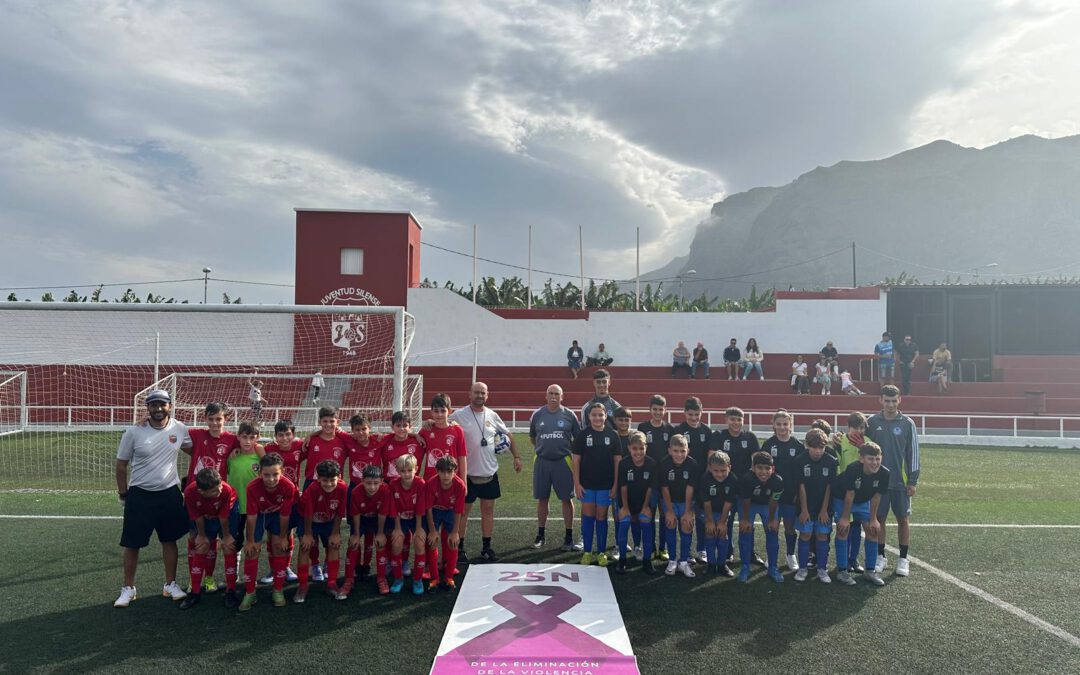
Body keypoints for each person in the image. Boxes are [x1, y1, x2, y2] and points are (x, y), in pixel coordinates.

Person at [114, 389, 193, 608]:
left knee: (169, 540)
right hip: (140, 494)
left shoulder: (179, 428)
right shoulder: (134, 432)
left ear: (170, 406)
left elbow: (196, 450)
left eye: (162, 404)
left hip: (169, 493)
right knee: (132, 543)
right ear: (147, 408)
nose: (158, 408)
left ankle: (170, 584)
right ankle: (128, 588)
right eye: (153, 405)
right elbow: (121, 464)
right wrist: (123, 494)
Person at [449, 382, 523, 563]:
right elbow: (442, 424)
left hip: (489, 472)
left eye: (483, 393)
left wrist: (516, 457)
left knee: (488, 510)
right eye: (476, 392)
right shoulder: (459, 415)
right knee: (463, 512)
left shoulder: (492, 415)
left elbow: (508, 434)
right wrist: (429, 423)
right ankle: (459, 548)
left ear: (487, 395)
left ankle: (486, 547)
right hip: (467, 473)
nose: (479, 395)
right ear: (470, 394)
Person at [867, 385, 920, 578]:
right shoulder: (871, 422)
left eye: (894, 400)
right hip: (877, 483)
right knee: (878, 519)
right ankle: (881, 556)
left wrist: (912, 480)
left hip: (900, 482)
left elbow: (913, 453)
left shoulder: (907, 423)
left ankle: (903, 559)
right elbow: (863, 449)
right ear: (880, 400)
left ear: (900, 400)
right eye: (887, 401)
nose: (890, 404)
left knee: (903, 519)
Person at [240, 452, 299, 611]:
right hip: (259, 516)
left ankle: (278, 590)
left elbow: (285, 515)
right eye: (266, 475)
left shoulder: (288, 486)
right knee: (252, 551)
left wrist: (282, 537)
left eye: (275, 474)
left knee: (279, 547)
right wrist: (251, 540)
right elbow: (251, 516)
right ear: (260, 473)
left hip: (277, 516)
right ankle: (250, 592)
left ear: (282, 472)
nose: (271, 479)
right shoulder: (252, 487)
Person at [529, 384, 582, 552]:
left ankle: (568, 536)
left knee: (567, 499)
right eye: (550, 393)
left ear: (562, 396)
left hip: (563, 462)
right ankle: (540, 534)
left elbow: (578, 438)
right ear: (546, 396)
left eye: (556, 394)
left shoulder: (569, 415)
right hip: (542, 461)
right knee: (542, 498)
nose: (553, 396)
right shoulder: (537, 415)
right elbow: (532, 437)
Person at [302, 406, 350, 581]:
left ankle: (328, 564)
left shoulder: (344, 440)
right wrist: (312, 435)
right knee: (311, 529)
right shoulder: (311, 441)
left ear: (338, 422)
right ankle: (314, 565)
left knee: (331, 530)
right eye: (325, 421)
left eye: (332, 421)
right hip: (312, 486)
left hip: (334, 487)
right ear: (319, 422)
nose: (328, 424)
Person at [179, 468, 238, 610]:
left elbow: (224, 516)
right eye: (214, 491)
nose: (219, 491)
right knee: (202, 545)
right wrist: (202, 535)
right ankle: (195, 592)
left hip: (229, 514)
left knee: (229, 547)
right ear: (201, 492)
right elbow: (196, 515)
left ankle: (231, 590)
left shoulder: (226, 490)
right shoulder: (190, 492)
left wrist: (227, 536)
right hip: (204, 514)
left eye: (220, 486)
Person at [712, 406, 764, 567]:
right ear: (726, 420)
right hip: (724, 487)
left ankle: (749, 552)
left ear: (743, 420)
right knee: (726, 520)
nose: (736, 422)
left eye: (739, 419)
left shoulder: (750, 437)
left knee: (745, 521)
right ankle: (727, 552)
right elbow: (711, 460)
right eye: (732, 419)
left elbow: (756, 462)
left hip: (745, 489)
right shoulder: (719, 436)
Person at [833, 442, 890, 586]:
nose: (875, 462)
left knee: (873, 530)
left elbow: (877, 496)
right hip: (842, 498)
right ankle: (842, 571)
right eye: (871, 459)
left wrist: (873, 519)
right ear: (862, 458)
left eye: (878, 459)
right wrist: (845, 518)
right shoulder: (853, 469)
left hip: (863, 500)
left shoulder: (885, 473)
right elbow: (849, 495)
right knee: (843, 529)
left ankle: (870, 571)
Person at [573, 403, 621, 566]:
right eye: (594, 415)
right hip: (586, 485)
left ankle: (601, 552)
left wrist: (615, 484)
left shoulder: (613, 435)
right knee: (588, 517)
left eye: (600, 415)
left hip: (605, 485)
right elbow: (576, 460)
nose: (597, 418)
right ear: (589, 417)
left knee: (601, 518)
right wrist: (577, 484)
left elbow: (617, 461)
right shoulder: (582, 435)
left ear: (605, 416)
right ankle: (587, 552)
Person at [224, 422, 265, 608]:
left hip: (254, 511)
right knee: (232, 546)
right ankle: (231, 587)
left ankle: (250, 585)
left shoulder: (260, 457)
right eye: (244, 437)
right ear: (238, 437)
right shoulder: (231, 457)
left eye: (252, 437)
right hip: (234, 510)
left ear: (257, 438)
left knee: (252, 547)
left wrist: (261, 450)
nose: (248, 441)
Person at [294, 460, 346, 603]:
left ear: (339, 476)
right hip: (307, 520)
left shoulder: (342, 488)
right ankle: (303, 585)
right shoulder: (312, 489)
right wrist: (308, 534)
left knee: (334, 545)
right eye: (324, 480)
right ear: (318, 478)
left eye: (332, 480)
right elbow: (308, 513)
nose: (329, 484)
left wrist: (336, 533)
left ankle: (332, 583)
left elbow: (339, 513)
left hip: (328, 520)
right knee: (305, 546)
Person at [762, 409, 805, 571]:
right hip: (772, 494)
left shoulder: (798, 446)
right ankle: (771, 554)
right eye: (778, 424)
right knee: (772, 524)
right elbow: (763, 471)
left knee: (789, 526)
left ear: (790, 425)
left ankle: (790, 554)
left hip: (791, 494)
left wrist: (797, 495)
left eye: (785, 424)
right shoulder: (768, 444)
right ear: (773, 425)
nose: (782, 427)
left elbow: (800, 473)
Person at [794, 429, 837, 583]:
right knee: (805, 534)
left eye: (822, 447)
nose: (818, 451)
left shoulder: (831, 461)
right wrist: (804, 510)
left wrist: (824, 510)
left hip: (824, 507)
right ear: (807, 445)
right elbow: (801, 486)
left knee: (822, 535)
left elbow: (829, 487)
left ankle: (822, 569)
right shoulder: (800, 460)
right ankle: (803, 568)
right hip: (805, 506)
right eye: (815, 448)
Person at [736, 452, 784, 583]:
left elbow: (774, 501)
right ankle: (745, 566)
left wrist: (772, 519)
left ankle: (773, 567)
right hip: (749, 504)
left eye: (767, 468)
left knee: (772, 531)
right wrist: (745, 519)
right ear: (753, 468)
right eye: (760, 468)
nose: (764, 472)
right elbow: (745, 500)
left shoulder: (778, 481)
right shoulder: (747, 479)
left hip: (767, 504)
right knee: (745, 531)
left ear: (772, 469)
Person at [638, 395, 675, 561]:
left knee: (665, 513)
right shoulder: (643, 427)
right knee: (649, 514)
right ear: (650, 410)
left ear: (665, 410)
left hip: (666, 479)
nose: (658, 412)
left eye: (661, 409)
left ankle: (663, 547)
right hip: (648, 480)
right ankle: (651, 546)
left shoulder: (670, 429)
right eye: (655, 409)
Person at [674, 396, 712, 561]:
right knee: (686, 517)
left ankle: (701, 549)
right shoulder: (678, 430)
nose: (694, 418)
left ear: (701, 412)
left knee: (702, 517)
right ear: (684, 413)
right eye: (690, 414)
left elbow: (710, 456)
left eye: (697, 414)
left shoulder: (707, 431)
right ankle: (686, 551)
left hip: (702, 481)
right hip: (683, 481)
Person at [344, 464, 391, 596]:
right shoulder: (356, 492)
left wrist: (381, 533)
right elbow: (356, 514)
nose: (372, 487)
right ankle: (349, 579)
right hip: (362, 518)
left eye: (376, 483)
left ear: (381, 481)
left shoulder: (386, 490)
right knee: (353, 543)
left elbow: (382, 513)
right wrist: (356, 534)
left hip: (376, 519)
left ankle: (381, 578)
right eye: (368, 483)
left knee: (381, 542)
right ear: (362, 481)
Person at [616, 431, 657, 575]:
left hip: (645, 501)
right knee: (625, 522)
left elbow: (650, 488)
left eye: (641, 448)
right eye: (635, 448)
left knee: (645, 522)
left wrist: (646, 507)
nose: (638, 452)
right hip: (627, 500)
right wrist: (625, 508)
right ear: (629, 448)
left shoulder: (651, 464)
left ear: (646, 447)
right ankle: (622, 560)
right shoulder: (624, 463)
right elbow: (623, 487)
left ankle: (647, 560)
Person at [658, 434, 699, 578]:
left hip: (686, 501)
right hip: (669, 500)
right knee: (670, 522)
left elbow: (690, 488)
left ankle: (683, 562)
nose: (679, 454)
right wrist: (669, 511)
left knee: (687, 524)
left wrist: (688, 511)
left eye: (682, 451)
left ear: (688, 450)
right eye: (675, 451)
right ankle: (672, 560)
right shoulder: (664, 463)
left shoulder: (692, 464)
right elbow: (664, 488)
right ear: (669, 450)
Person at [424, 455, 467, 592]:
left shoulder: (460, 485)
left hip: (450, 512)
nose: (446, 475)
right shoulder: (431, 483)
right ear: (437, 471)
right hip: (435, 512)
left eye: (449, 472)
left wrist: (455, 532)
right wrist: (432, 530)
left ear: (455, 471)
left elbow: (459, 510)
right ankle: (435, 577)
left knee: (453, 542)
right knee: (431, 541)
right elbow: (428, 508)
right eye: (442, 472)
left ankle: (449, 577)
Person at [387, 454, 428, 595]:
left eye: (409, 470)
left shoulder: (421, 483)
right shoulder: (393, 484)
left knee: (419, 542)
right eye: (403, 471)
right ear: (397, 470)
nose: (406, 474)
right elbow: (394, 508)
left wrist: (418, 529)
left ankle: (417, 580)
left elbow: (420, 508)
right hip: (400, 520)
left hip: (416, 520)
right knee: (397, 542)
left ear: (416, 469)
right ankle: (398, 579)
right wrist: (397, 528)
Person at [835, 412, 869, 574]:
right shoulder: (839, 440)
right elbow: (836, 462)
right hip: (843, 492)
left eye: (861, 428)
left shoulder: (869, 443)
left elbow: (875, 463)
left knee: (857, 527)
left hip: (862, 493)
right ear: (848, 427)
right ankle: (842, 563)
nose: (858, 431)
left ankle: (853, 559)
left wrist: (863, 447)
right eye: (855, 428)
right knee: (844, 527)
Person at [699, 451, 737, 577]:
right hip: (707, 510)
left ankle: (722, 564)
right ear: (710, 468)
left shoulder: (732, 479)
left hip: (723, 511)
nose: (720, 474)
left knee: (722, 534)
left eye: (723, 470)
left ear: (729, 467)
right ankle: (711, 564)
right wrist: (709, 521)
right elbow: (706, 502)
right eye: (716, 471)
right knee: (710, 533)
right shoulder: (705, 478)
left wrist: (722, 521)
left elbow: (728, 502)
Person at [419, 394, 468, 481]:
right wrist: (415, 435)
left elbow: (462, 457)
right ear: (431, 412)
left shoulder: (458, 430)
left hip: (452, 480)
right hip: (431, 480)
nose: (439, 414)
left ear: (449, 411)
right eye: (436, 411)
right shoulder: (426, 430)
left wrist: (464, 482)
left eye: (443, 411)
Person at [378, 411, 425, 481]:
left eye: (405, 425)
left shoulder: (419, 442)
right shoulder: (384, 440)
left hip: (411, 484)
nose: (401, 428)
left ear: (410, 427)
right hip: (389, 484)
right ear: (392, 427)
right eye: (398, 425)